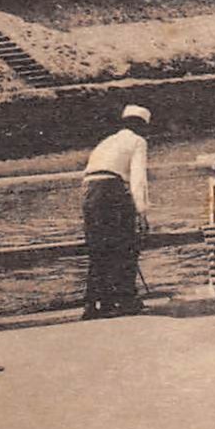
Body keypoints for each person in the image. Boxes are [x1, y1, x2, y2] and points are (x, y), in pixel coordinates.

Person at [82, 105, 152, 319]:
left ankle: (93, 304)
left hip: (89, 192)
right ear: (142, 126)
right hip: (111, 190)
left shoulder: (107, 141)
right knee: (126, 246)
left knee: (98, 249)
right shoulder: (138, 141)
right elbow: (138, 179)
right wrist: (142, 211)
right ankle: (126, 300)